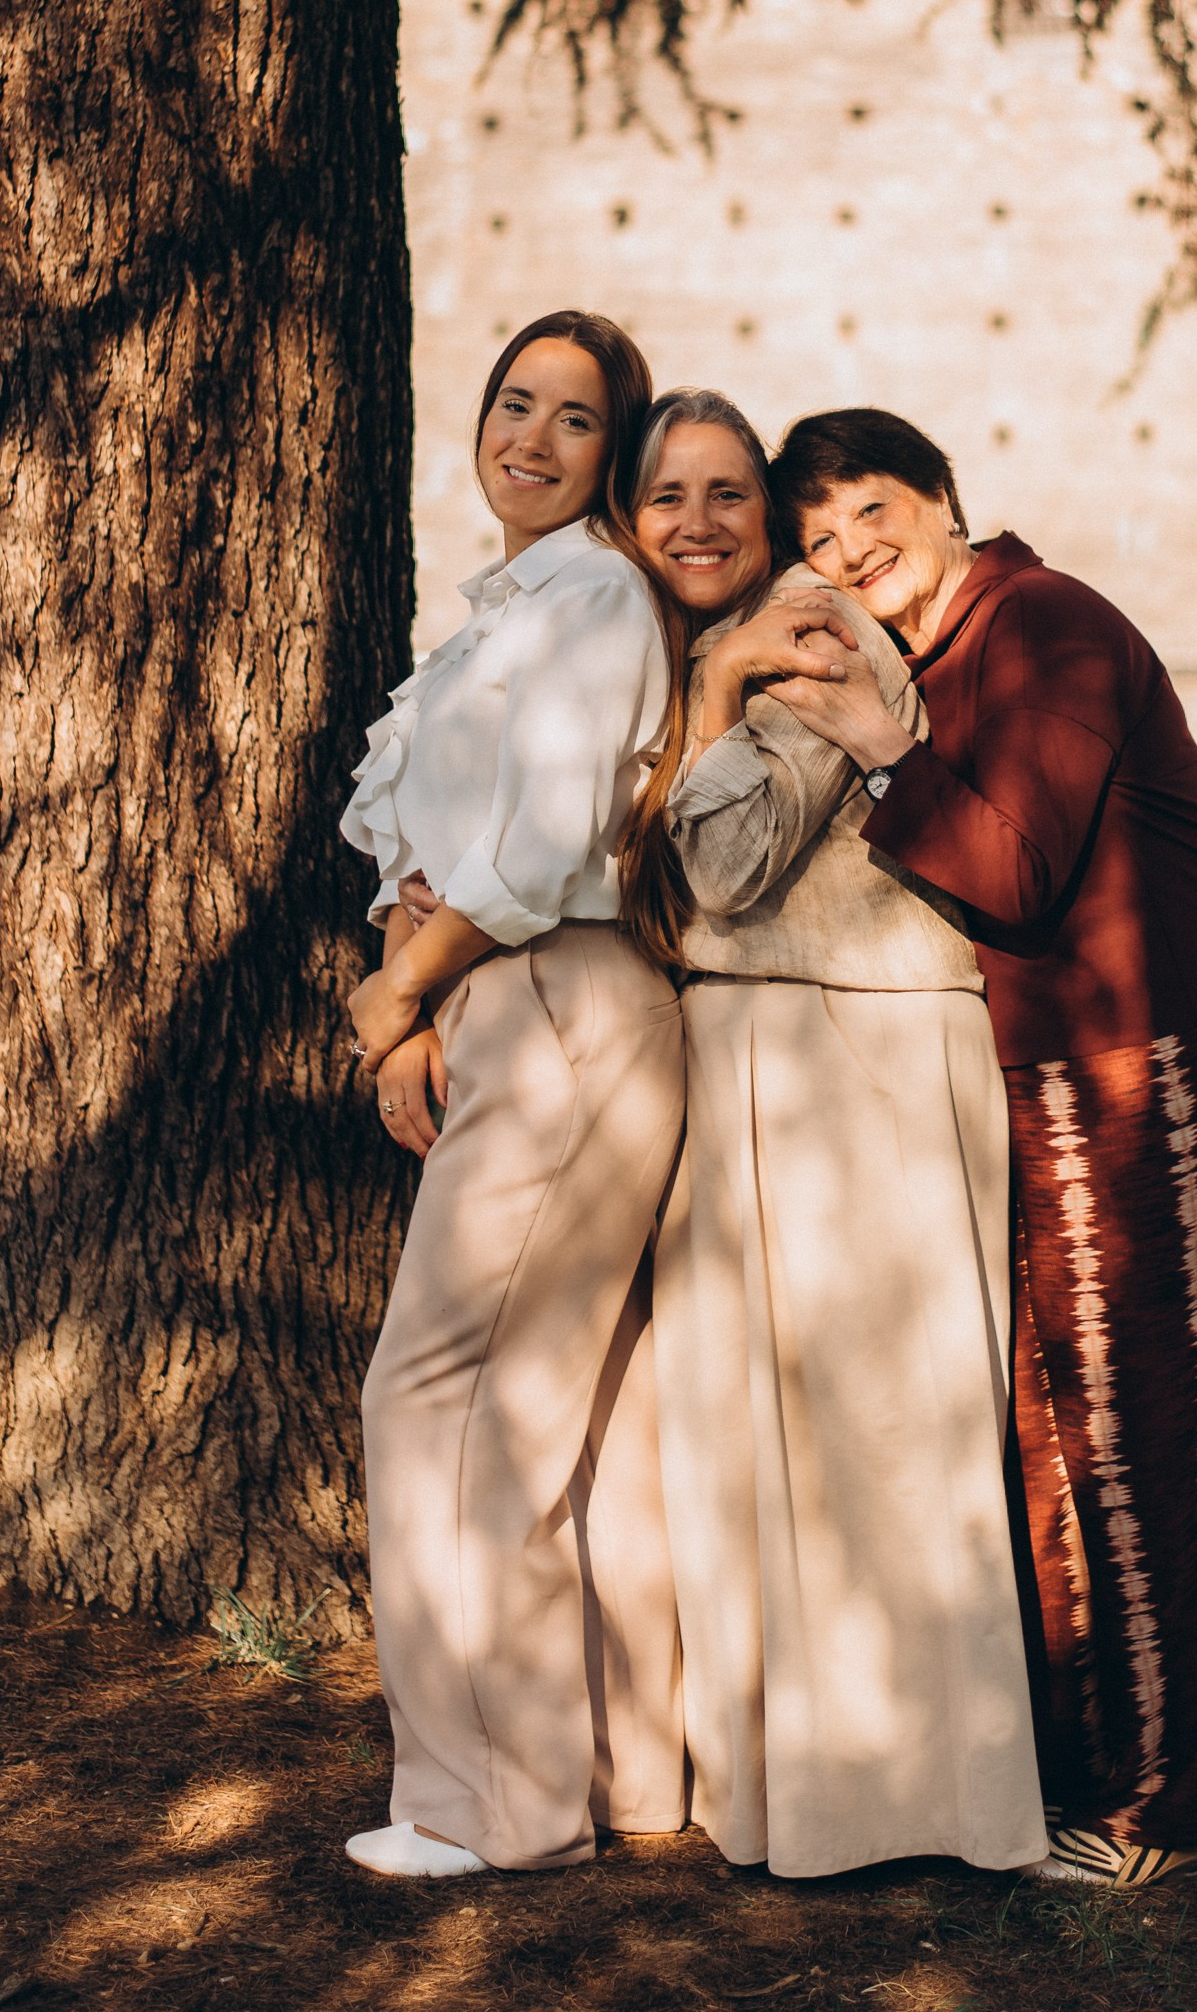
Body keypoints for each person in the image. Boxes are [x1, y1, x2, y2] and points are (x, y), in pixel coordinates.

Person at [764, 408, 1197, 1894]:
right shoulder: (943, 654)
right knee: (1062, 1426)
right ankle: (1100, 1770)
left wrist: (881, 750)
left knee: (1157, 1421)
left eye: (871, 511)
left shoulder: (1044, 622)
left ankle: (1181, 1806)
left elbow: (1011, 864)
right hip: (1068, 1060)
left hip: (1165, 1039)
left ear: (944, 501)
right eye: (815, 541)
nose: (848, 552)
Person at [620, 387, 1046, 1880]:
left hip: (846, 1035)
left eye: (734, 498)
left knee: (877, 1437)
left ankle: (919, 1798)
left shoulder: (814, 630)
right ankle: (807, 1787)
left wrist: (726, 683)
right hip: (770, 1039)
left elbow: (725, 860)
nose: (705, 527)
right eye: (671, 497)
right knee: (780, 1439)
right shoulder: (721, 648)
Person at [337, 311, 688, 1879]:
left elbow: (544, 845)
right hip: (500, 1002)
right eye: (514, 404)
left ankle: (487, 1812)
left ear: (613, 456)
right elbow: (423, 839)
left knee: (447, 1400)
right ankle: (607, 1778)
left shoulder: (596, 592)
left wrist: (406, 987)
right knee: (541, 1409)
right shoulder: (504, 610)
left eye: (576, 421)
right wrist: (412, 997)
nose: (531, 440)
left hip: (561, 1008)